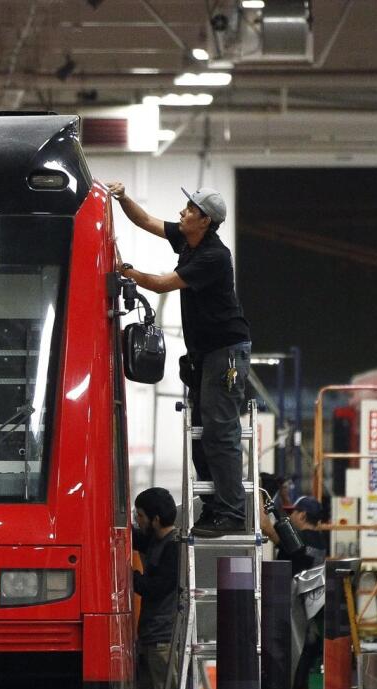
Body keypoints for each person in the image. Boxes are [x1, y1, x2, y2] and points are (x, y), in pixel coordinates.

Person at [106, 182, 253, 537]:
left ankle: (232, 511)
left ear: (204, 220)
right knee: (203, 435)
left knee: (220, 432)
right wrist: (124, 197)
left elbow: (160, 284)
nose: (181, 213)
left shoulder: (213, 256)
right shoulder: (189, 241)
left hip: (225, 353)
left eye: (189, 210)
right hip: (206, 354)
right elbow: (147, 222)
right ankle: (215, 508)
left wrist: (129, 273)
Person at [123, 487, 191, 689]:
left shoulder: (174, 548)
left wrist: (130, 576)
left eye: (141, 516)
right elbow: (134, 537)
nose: (138, 522)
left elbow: (156, 588)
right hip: (150, 637)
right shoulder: (156, 539)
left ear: (156, 518)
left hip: (165, 639)